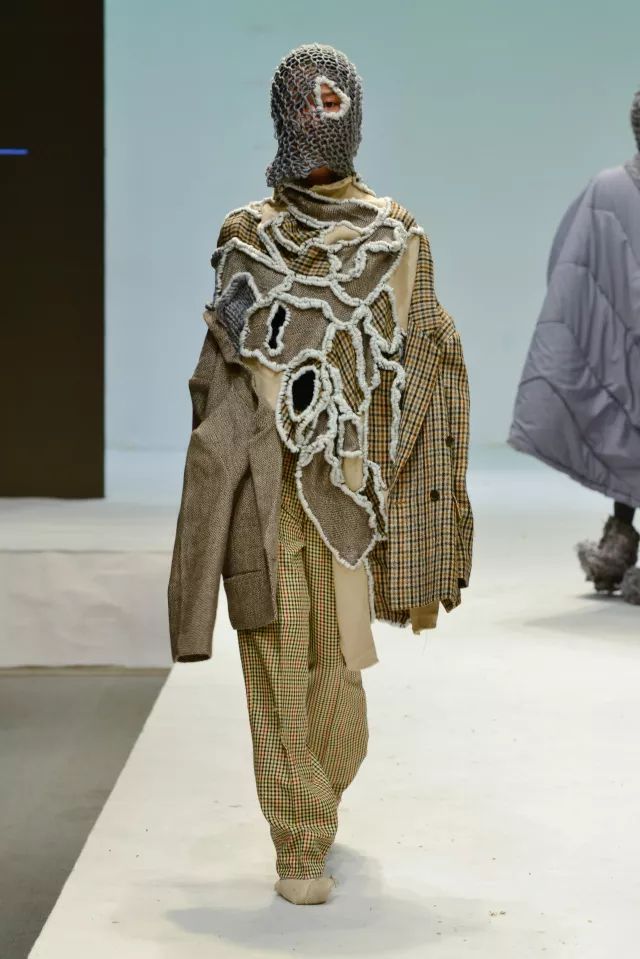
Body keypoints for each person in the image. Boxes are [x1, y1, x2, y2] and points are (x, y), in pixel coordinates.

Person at [167, 42, 473, 905]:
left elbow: (428, 369)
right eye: (306, 103)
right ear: (283, 117)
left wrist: (424, 510)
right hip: (266, 482)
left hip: (350, 490)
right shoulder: (245, 235)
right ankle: (299, 839)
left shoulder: (397, 235)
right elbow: (221, 369)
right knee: (273, 654)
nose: (320, 116)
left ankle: (318, 795)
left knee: (338, 674)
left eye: (332, 103)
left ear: (356, 115)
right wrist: (211, 493)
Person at [508, 88, 640, 605]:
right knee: (627, 428)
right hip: (621, 341)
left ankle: (620, 538)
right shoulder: (608, 189)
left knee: (625, 424)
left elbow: (565, 266)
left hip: (619, 345)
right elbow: (572, 267)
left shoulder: (606, 188)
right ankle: (620, 538)